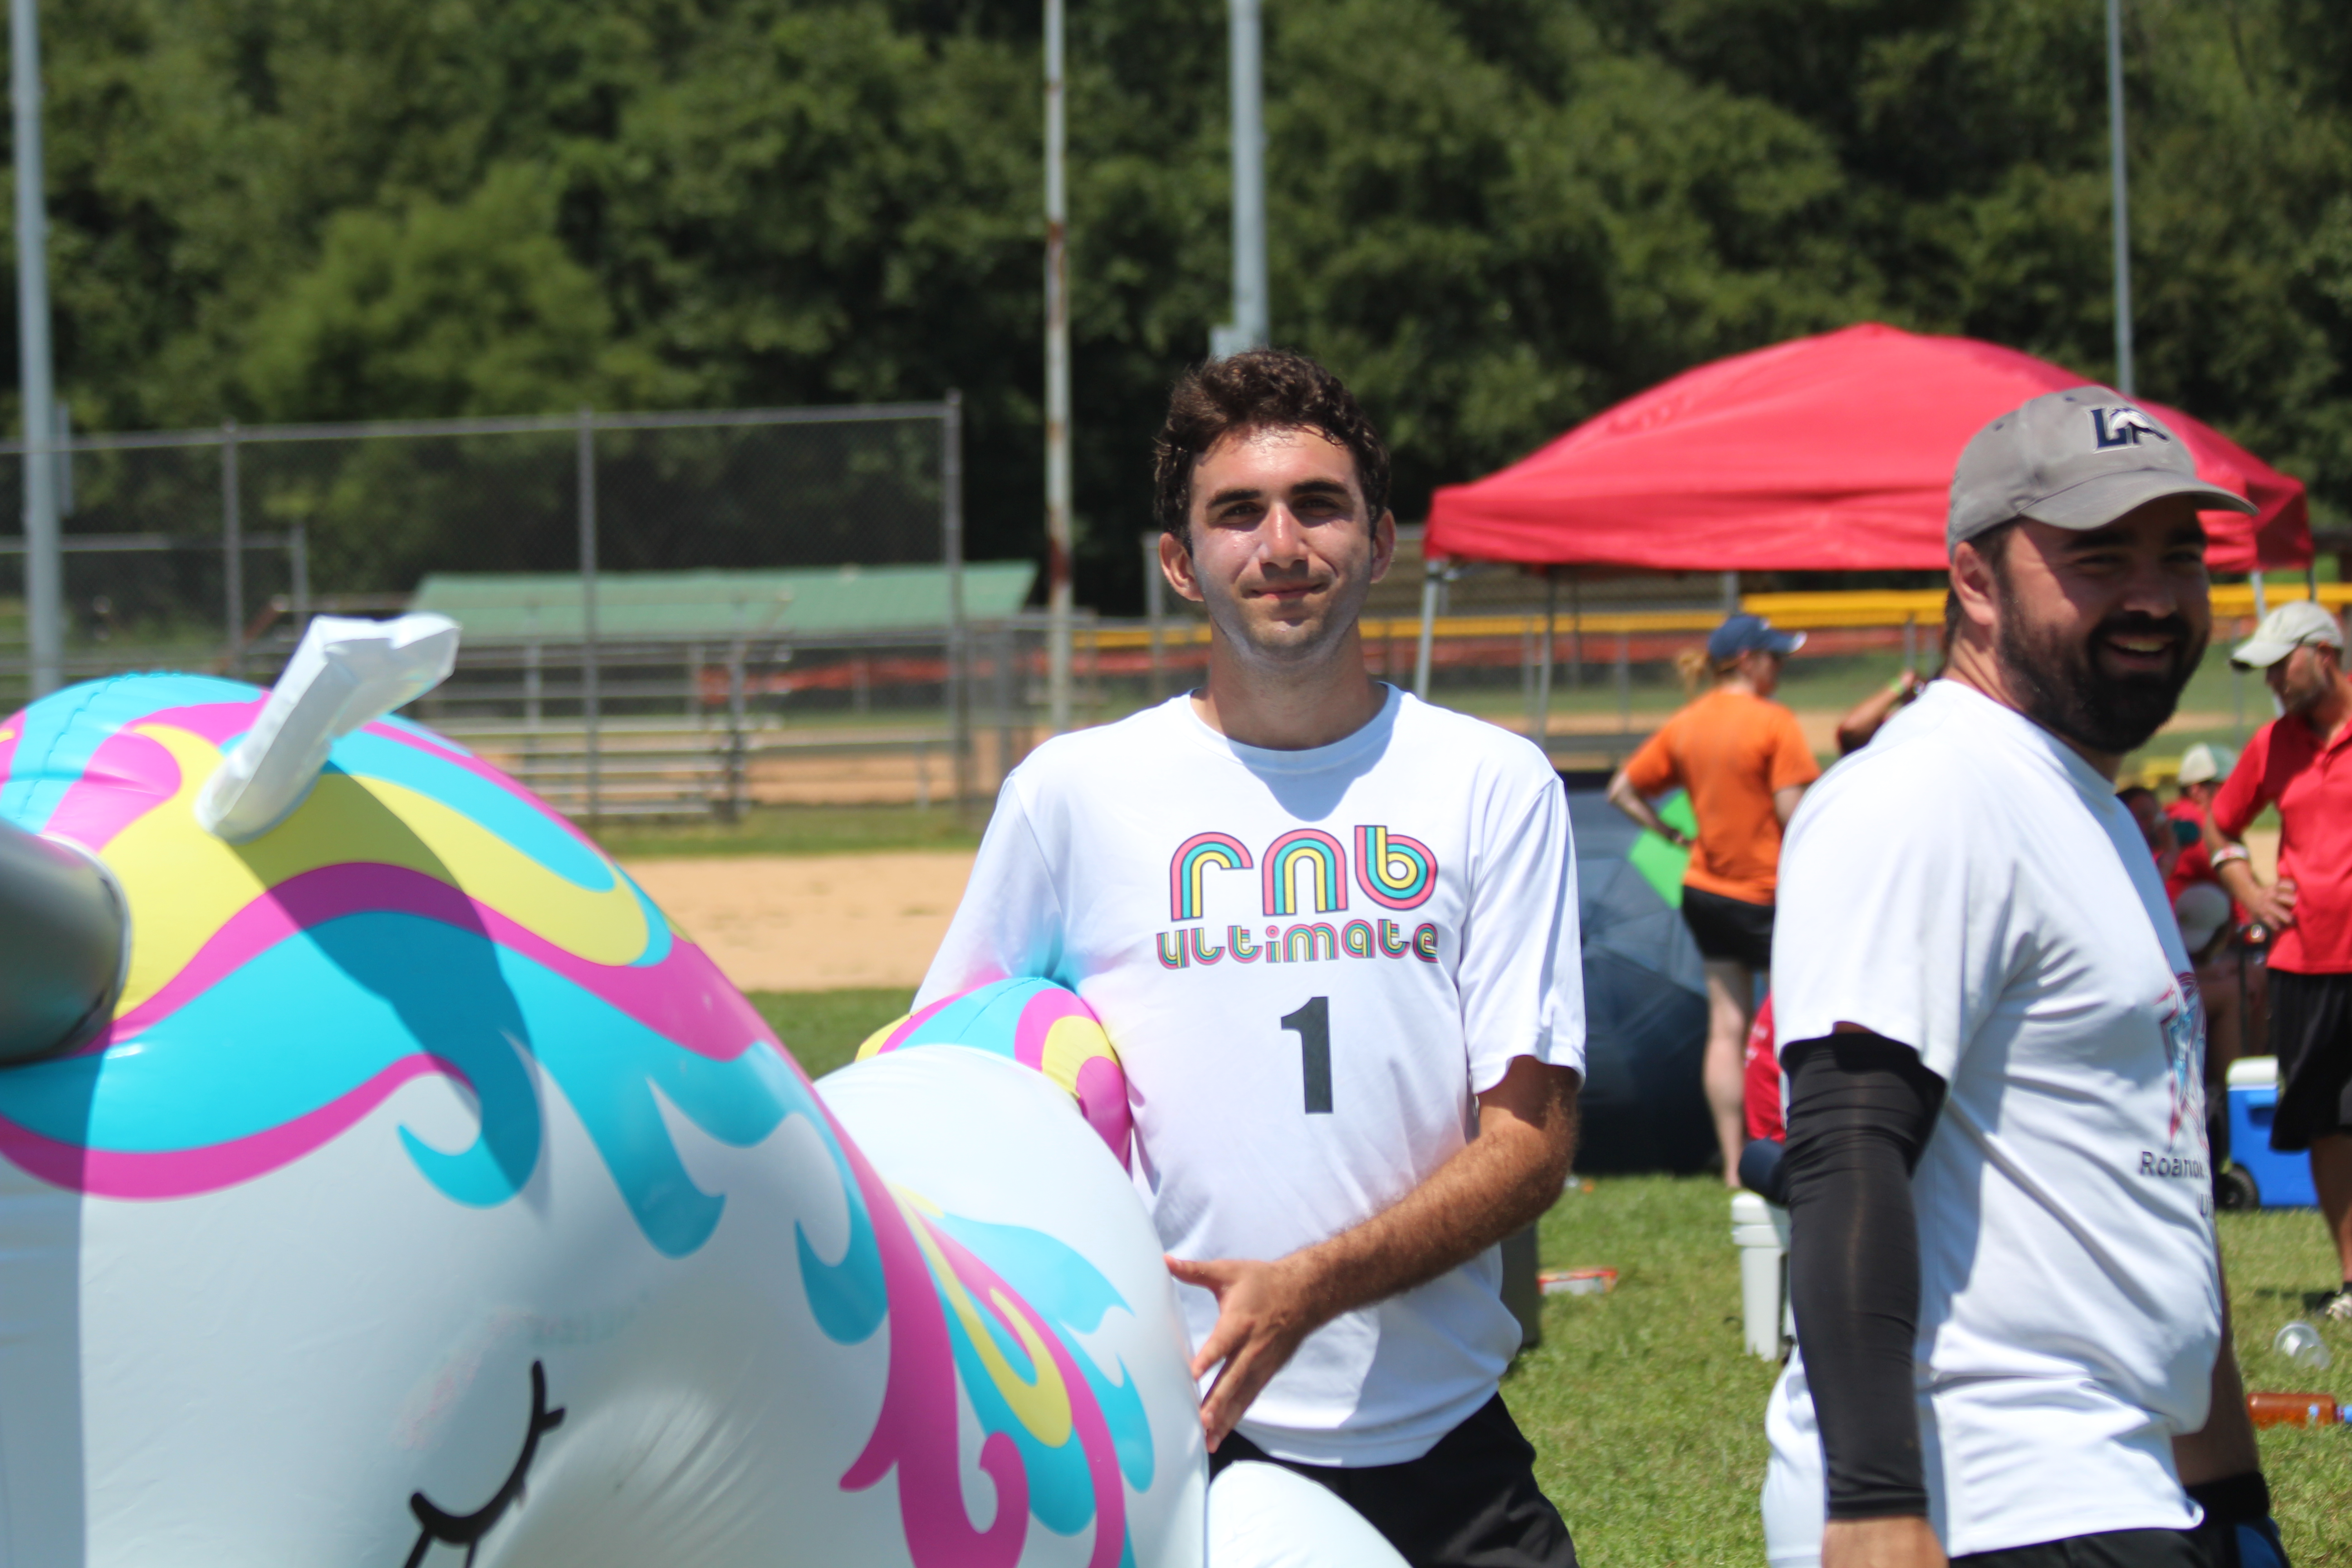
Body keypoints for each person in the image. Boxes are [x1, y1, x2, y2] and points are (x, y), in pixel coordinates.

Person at [916, 349, 1585, 1568]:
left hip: (1447, 1450)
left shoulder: (1492, 784)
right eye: (1238, 512)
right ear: (1180, 562)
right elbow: (952, 1094)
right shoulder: (1073, 795)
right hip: (1183, 1442)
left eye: (1318, 505)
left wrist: (1309, 1285)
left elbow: (1530, 1147)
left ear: (1380, 543)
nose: (1281, 544)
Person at [1763, 387, 2282, 1568]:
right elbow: (1847, 1146)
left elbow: (2144, 1188)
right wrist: (1876, 1507)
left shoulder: (2080, 804)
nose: (2154, 596)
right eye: (2099, 558)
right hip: (1986, 1496)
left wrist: (2236, 1506)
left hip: (2114, 1477)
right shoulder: (1928, 794)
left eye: (2180, 556)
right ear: (1976, 580)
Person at [1607, 614, 1820, 1184]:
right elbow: (1794, 813)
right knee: (1790, 1019)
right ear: (1749, 661)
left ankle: (1732, 1162)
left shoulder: (1688, 722)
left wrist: (1673, 836)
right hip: (1768, 893)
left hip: (1706, 890)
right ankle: (1787, 1142)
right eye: (1775, 657)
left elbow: (1622, 790)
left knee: (1727, 1026)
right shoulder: (1774, 722)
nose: (1781, 668)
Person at [2201, 598, 2352, 1321]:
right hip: (2304, 962)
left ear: (2323, 653)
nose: (2270, 682)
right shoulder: (2271, 744)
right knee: (2327, 1122)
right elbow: (2220, 825)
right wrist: (2250, 891)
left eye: (2278, 666)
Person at [2166, 743, 2236, 905]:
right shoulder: (2199, 826)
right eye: (2226, 786)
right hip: (2177, 917)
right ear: (2196, 790)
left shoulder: (2170, 815)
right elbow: (2239, 896)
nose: (2235, 794)